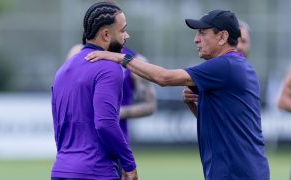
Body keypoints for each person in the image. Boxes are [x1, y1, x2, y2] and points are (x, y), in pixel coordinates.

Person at [85, 10, 270, 180]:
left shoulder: (226, 65)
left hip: (237, 173)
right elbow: (220, 125)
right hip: (241, 170)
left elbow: (164, 78)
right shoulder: (234, 67)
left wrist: (121, 58)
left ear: (222, 37)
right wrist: (193, 106)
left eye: (202, 33)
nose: (196, 39)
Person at [51, 2, 138, 180]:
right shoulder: (109, 68)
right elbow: (105, 123)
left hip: (60, 170)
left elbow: (58, 126)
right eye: (123, 30)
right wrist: (129, 163)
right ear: (106, 34)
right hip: (96, 172)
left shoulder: (63, 69)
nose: (126, 35)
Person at [66, 44, 157, 143]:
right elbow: (66, 91)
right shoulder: (78, 52)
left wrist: (116, 112)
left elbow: (151, 105)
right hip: (81, 137)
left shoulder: (135, 60)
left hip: (113, 140)